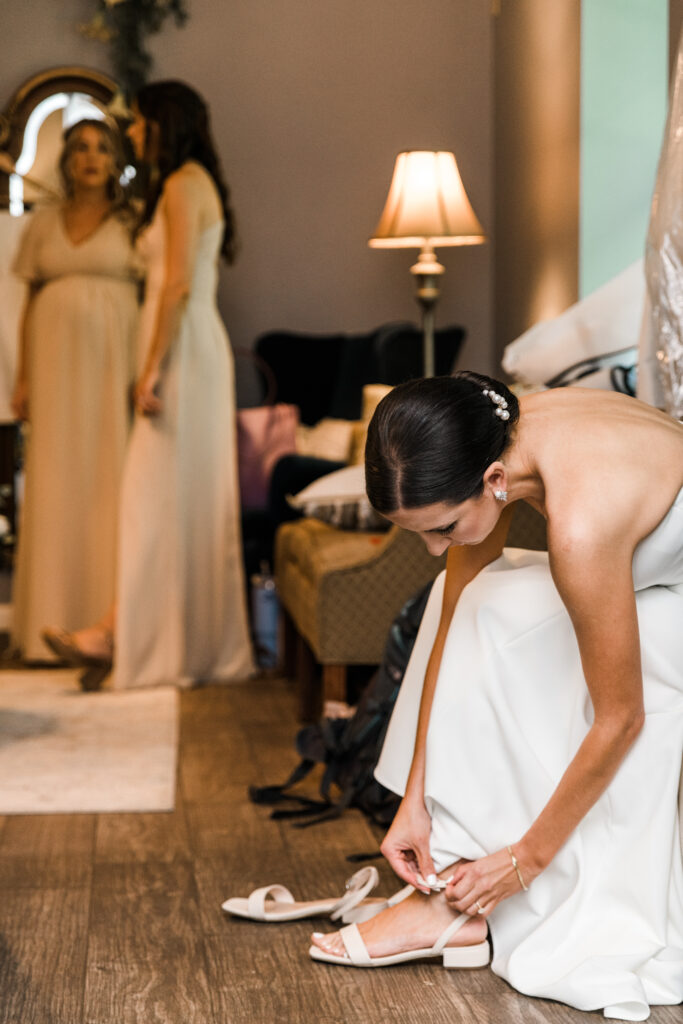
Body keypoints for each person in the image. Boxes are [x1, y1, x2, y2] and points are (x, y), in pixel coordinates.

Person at [310, 372, 683, 1021]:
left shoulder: (581, 525)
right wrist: (417, 800)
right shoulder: (494, 431)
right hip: (648, 574)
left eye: (443, 526)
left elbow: (621, 719)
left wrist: (523, 861)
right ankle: (444, 878)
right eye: (417, 533)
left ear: (491, 482)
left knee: (501, 617)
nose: (433, 546)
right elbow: (450, 612)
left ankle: (448, 904)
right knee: (466, 602)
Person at [44, 81, 254, 689]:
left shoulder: (187, 184)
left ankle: (121, 633)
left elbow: (178, 285)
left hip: (184, 355)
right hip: (184, 351)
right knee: (166, 502)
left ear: (164, 123)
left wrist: (153, 367)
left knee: (156, 499)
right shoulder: (185, 184)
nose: (131, 135)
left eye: (137, 124)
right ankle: (122, 629)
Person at [11, 119, 139, 661]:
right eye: (81, 148)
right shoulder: (42, 223)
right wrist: (21, 376)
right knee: (54, 479)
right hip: (53, 364)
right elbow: (29, 302)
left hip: (116, 367)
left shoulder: (134, 221)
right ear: (66, 160)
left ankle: (106, 621)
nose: (91, 158)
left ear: (116, 162)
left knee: (108, 480)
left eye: (102, 149)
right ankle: (48, 621)